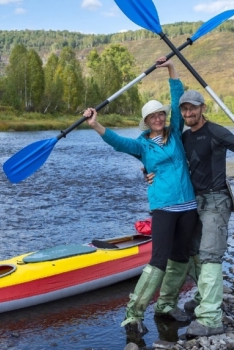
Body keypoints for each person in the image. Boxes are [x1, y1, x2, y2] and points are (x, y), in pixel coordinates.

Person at [83, 57, 197, 334]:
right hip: (164, 206)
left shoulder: (176, 135)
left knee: (181, 257)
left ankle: (167, 306)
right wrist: (96, 125)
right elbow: (118, 142)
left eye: (161, 115)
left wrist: (170, 69)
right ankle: (134, 313)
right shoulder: (142, 145)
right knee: (158, 259)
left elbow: (175, 98)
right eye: (152, 116)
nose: (158, 119)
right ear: (145, 121)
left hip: (189, 205)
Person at [178, 89, 234, 337]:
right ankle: (204, 297)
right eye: (184, 109)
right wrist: (147, 173)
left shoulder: (216, 131)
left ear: (203, 108)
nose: (189, 112)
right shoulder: (183, 137)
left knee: (210, 256)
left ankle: (211, 319)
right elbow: (170, 163)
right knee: (192, 254)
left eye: (193, 108)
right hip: (192, 201)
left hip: (216, 199)